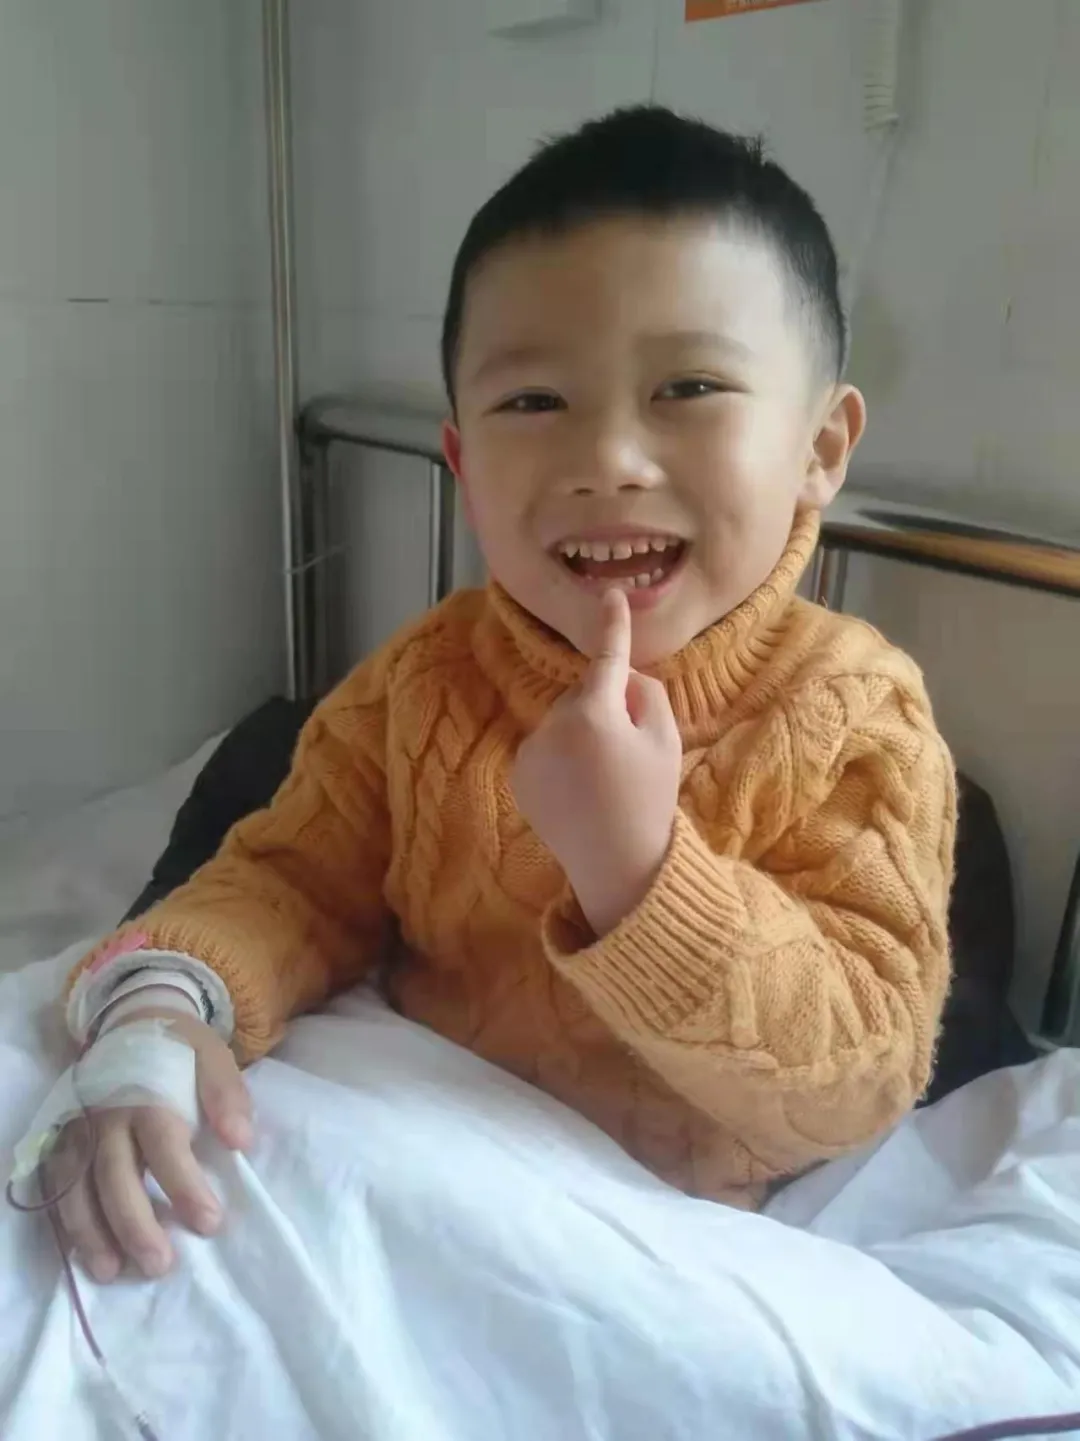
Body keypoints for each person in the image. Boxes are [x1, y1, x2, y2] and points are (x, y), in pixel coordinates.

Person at [53, 106, 956, 1284]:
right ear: (464, 464)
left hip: (672, 1256)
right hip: (422, 1182)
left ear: (821, 449)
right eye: (534, 402)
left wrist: (638, 873)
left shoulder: (858, 715)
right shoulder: (423, 683)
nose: (609, 460)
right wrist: (164, 1005)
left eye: (688, 385)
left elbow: (862, 1081)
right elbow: (285, 879)